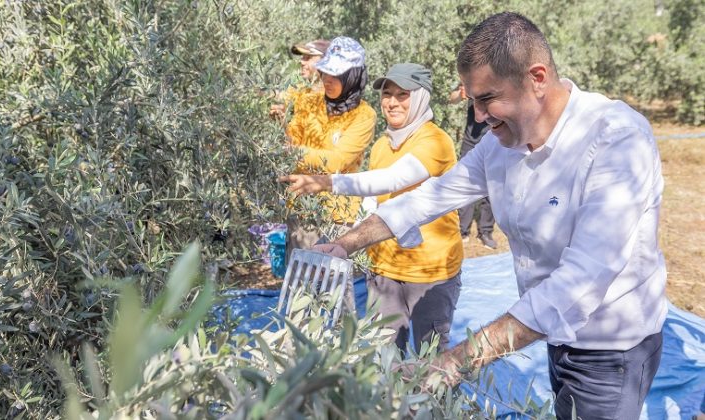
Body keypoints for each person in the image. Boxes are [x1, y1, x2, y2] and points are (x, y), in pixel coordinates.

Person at [311, 12, 667, 420]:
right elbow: (430, 197)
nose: (479, 116)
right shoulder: (501, 144)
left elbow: (581, 279)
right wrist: (347, 242)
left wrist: (453, 361)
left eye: (487, 99)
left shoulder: (616, 140)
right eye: (473, 101)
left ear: (536, 78)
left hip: (611, 350)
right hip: (553, 333)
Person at [280, 63, 463, 355]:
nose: (391, 102)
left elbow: (392, 179)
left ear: (421, 98)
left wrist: (327, 182)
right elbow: (375, 202)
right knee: (384, 359)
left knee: (433, 365)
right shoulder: (382, 145)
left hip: (431, 274)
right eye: (387, 94)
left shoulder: (436, 141)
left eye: (402, 94)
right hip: (384, 271)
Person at [284, 36, 376, 259]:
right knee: (299, 284)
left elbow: (337, 161)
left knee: (333, 287)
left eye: (337, 75)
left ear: (353, 76)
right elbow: (291, 141)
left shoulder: (364, 116)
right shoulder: (308, 102)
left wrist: (295, 153)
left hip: (338, 216)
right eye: (325, 72)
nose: (328, 79)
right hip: (302, 208)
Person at [449, 84, 496, 249]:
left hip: (494, 137)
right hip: (470, 140)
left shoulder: (499, 71)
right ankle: (463, 231)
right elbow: (451, 98)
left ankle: (486, 231)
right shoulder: (471, 76)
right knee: (464, 184)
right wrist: (461, 94)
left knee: (492, 187)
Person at [269, 39, 330, 121]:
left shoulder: (335, 95)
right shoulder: (302, 89)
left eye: (308, 58)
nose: (301, 62)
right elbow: (279, 96)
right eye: (302, 57)